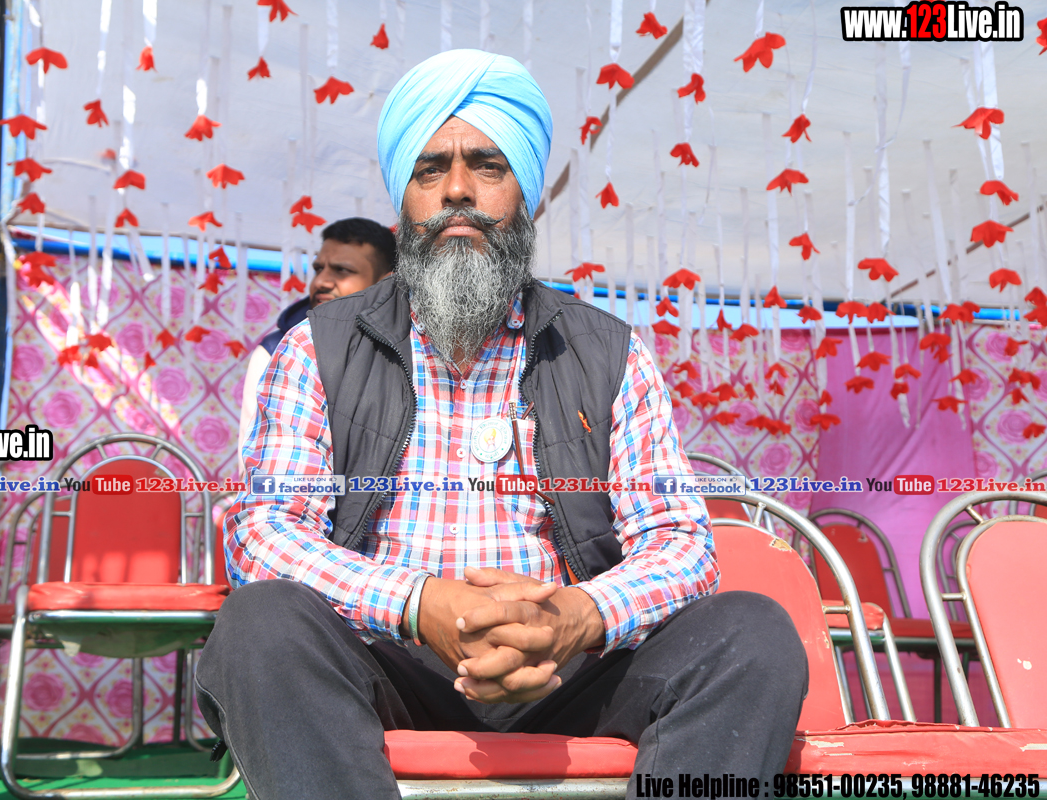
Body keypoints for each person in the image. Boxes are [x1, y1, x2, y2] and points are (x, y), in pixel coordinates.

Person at [199, 49, 807, 800]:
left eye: (487, 165)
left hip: (571, 671)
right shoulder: (317, 347)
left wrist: (578, 616)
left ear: (527, 193)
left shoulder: (610, 351)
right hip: (386, 663)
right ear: (403, 200)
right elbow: (266, 533)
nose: (457, 190)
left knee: (750, 632)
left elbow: (680, 542)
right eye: (430, 170)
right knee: (260, 623)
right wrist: (421, 604)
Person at [237, 217, 396, 463]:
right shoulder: (275, 350)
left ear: (387, 282)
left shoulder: (412, 349)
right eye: (318, 269)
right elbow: (257, 468)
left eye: (343, 270)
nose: (321, 282)